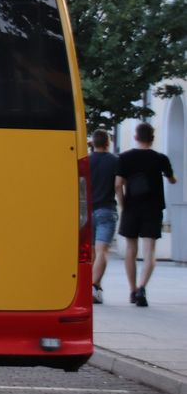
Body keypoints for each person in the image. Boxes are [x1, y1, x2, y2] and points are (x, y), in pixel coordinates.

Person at [115, 122, 178, 307]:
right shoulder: (160, 158)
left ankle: (133, 289)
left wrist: (123, 204)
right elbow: (171, 179)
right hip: (153, 208)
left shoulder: (125, 158)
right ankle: (143, 287)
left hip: (132, 208)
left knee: (130, 249)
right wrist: (173, 178)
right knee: (150, 249)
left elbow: (118, 185)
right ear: (152, 138)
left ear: (136, 137)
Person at [88, 129, 119, 304]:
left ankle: (95, 288)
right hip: (106, 209)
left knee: (91, 252)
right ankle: (92, 286)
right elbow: (118, 184)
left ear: (93, 143)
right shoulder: (115, 161)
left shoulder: (87, 160)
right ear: (108, 142)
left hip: (88, 210)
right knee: (102, 251)